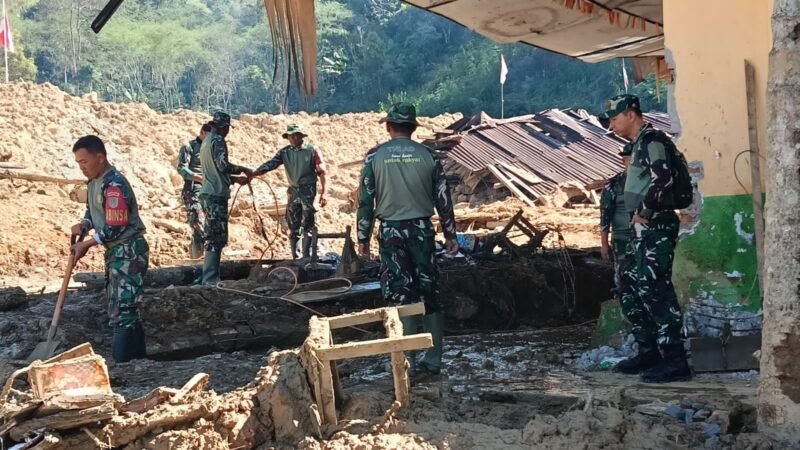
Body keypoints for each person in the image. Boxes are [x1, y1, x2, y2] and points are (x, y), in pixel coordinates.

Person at [356, 102, 458, 375]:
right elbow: (443, 198)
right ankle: (433, 360)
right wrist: (450, 233)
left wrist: (363, 238)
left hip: (391, 233)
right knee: (429, 291)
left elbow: (365, 200)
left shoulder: (374, 157)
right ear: (413, 127)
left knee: (400, 293)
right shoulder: (428, 155)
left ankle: (406, 361)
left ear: (389, 127)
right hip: (422, 231)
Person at [601, 94, 691, 383]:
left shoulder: (653, 140)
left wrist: (646, 210)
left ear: (631, 114)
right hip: (644, 227)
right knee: (637, 288)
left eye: (614, 119)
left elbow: (662, 179)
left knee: (656, 289)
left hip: (657, 223)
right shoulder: (640, 143)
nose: (612, 125)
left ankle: (675, 361)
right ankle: (649, 352)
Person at [70, 135, 148, 363]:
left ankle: (121, 363)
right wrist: (85, 224)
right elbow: (93, 211)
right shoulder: (94, 183)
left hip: (129, 251)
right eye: (78, 163)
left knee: (124, 309)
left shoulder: (114, 185)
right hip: (116, 252)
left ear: (100, 158)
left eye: (84, 161)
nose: (82, 167)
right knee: (121, 305)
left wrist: (87, 244)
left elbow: (116, 225)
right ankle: (139, 360)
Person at [250, 124, 327, 259]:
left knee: (308, 224)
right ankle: (296, 257)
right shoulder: (285, 152)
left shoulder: (311, 150)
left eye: (297, 135)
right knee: (294, 225)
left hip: (308, 190)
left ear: (302, 136)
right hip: (293, 191)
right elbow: (271, 164)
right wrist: (254, 173)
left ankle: (307, 256)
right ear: (288, 137)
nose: (294, 138)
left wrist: (324, 192)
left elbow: (322, 172)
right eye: (291, 136)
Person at [198, 112, 252, 285]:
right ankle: (210, 279)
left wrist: (234, 180)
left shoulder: (206, 141)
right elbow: (223, 166)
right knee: (216, 237)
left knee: (211, 234)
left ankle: (208, 276)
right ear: (225, 127)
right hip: (216, 195)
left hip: (207, 192)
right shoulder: (218, 141)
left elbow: (215, 171)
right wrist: (243, 169)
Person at [599, 146, 633, 300]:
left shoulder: (650, 182)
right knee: (623, 276)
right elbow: (605, 216)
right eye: (631, 159)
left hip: (646, 237)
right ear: (624, 161)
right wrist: (604, 244)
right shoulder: (614, 185)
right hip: (622, 238)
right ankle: (625, 305)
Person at [176, 123, 212, 259]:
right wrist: (198, 178)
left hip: (208, 192)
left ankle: (203, 259)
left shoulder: (211, 149)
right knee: (198, 223)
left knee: (209, 226)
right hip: (192, 190)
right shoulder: (189, 147)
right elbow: (181, 168)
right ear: (202, 133)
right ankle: (197, 259)